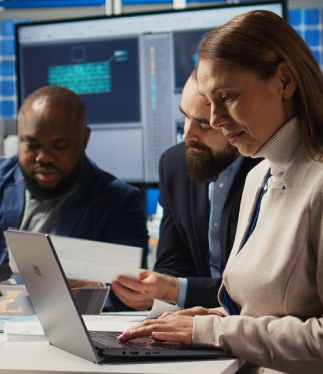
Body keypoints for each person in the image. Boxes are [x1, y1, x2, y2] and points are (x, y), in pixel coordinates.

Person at [118, 10, 323, 374]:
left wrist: (213, 331)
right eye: (208, 103)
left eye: (227, 98)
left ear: (285, 80)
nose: (214, 119)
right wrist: (208, 318)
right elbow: (271, 311)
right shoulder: (263, 175)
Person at [0, 85, 149, 297]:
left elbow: (131, 286)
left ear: (84, 139)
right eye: (31, 145)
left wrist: (97, 288)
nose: (44, 158)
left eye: (59, 146)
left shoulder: (119, 201)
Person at [108, 71, 260, 311]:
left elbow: (262, 290)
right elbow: (173, 267)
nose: (187, 135)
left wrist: (174, 289)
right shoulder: (175, 165)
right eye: (185, 117)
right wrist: (150, 288)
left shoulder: (269, 169)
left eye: (203, 124)